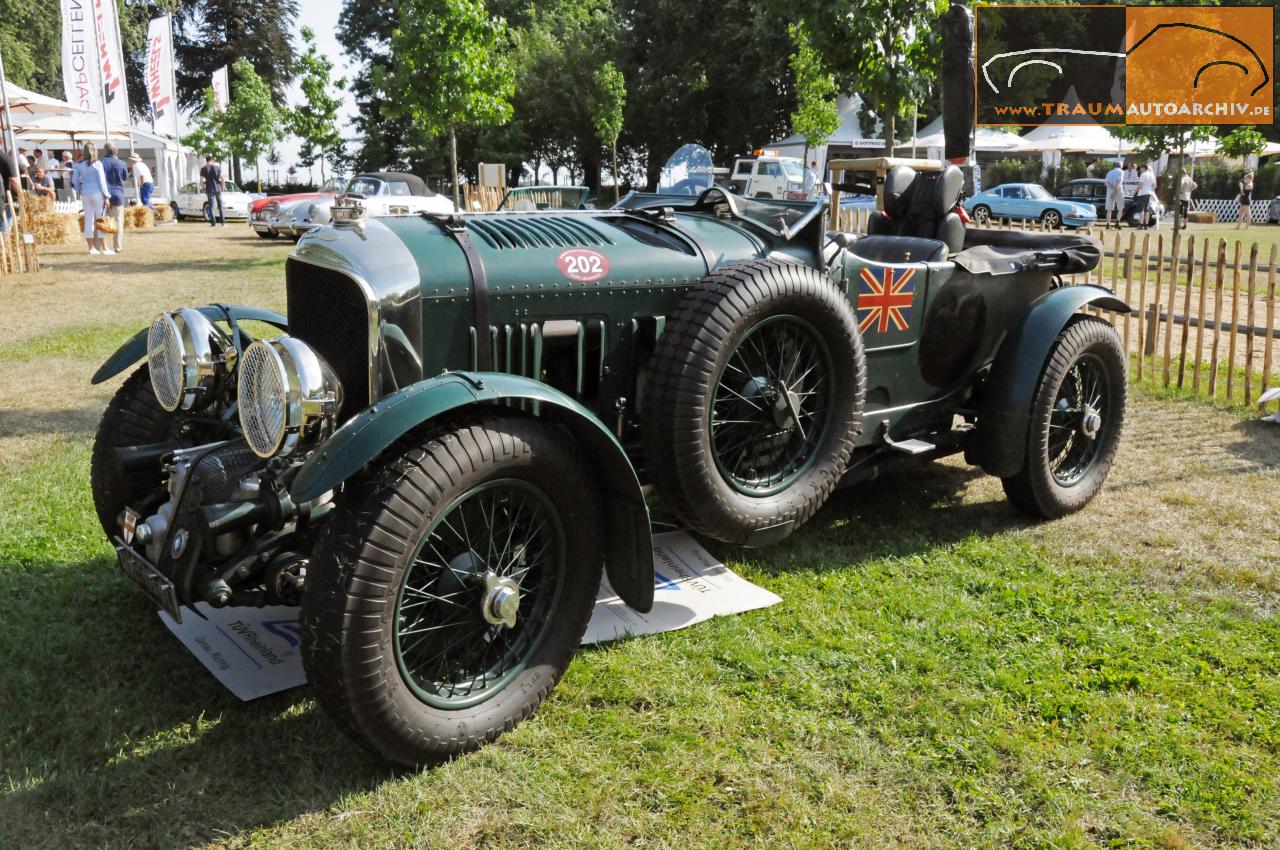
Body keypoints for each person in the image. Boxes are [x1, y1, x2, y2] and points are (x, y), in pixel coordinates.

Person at [71, 142, 111, 255]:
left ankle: (91, 248)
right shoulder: (97, 164)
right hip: (97, 193)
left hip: (85, 194)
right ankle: (104, 248)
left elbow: (74, 180)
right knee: (100, 220)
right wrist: (106, 195)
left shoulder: (79, 165)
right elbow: (102, 182)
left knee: (89, 221)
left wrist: (80, 186)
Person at [100, 142, 128, 253]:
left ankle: (98, 246)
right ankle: (118, 246)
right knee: (118, 222)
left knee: (100, 221)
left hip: (102, 195)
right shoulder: (121, 163)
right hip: (117, 194)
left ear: (105, 150)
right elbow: (125, 177)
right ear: (116, 151)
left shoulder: (100, 162)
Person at [200, 155, 225, 226]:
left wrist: (203, 188)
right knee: (220, 206)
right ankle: (223, 222)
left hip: (209, 189)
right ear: (212, 160)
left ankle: (213, 223)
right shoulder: (217, 167)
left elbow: (201, 180)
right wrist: (222, 187)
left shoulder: (203, 168)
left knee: (211, 206)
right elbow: (222, 179)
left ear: (206, 160)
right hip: (218, 188)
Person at [1103, 160, 1125, 229]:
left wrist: (1112, 190)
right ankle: (1117, 223)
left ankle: (1108, 224)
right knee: (1120, 207)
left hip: (1109, 190)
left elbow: (1106, 183)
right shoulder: (1121, 172)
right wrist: (1115, 191)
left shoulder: (1109, 172)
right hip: (1118, 190)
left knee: (1109, 209)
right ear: (1121, 166)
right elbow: (1119, 182)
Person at [1135, 164, 1157, 229]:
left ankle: (1141, 225)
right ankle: (1146, 225)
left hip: (1142, 193)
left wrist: (1135, 191)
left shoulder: (1143, 175)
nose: (1140, 170)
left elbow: (1140, 185)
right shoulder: (1152, 175)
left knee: (1141, 210)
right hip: (1149, 193)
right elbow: (1154, 186)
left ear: (1144, 168)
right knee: (1146, 210)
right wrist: (1150, 190)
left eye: (1141, 168)